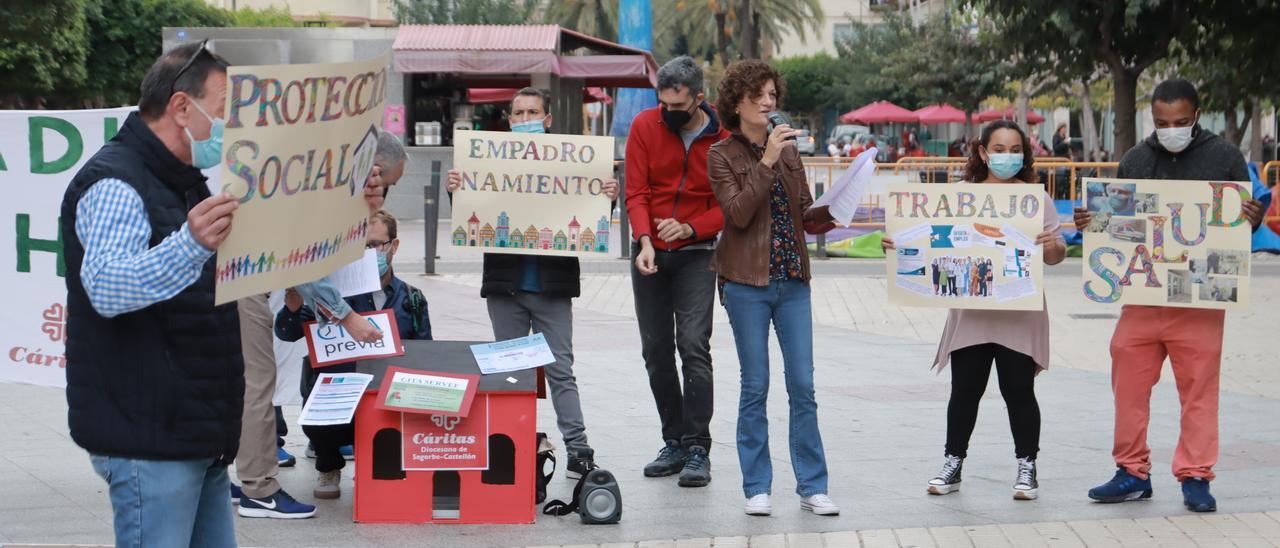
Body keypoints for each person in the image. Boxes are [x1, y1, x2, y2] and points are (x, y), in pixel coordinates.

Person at [62, 41, 248, 545]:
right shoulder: (116, 181)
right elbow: (106, 286)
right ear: (182, 107)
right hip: (148, 433)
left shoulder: (186, 181)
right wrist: (189, 244)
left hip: (197, 430)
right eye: (225, 111)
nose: (229, 128)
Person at [1074, 79, 1264, 513]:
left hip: (1200, 301)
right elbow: (1118, 226)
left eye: (1180, 121)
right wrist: (1092, 221)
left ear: (1197, 115)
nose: (1170, 129)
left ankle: (1196, 475)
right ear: (1152, 117)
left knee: (1199, 388)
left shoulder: (1225, 157)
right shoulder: (1137, 158)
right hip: (1143, 296)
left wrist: (1250, 218)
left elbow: (1236, 228)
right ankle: (1132, 472)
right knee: (1128, 382)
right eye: (1161, 122)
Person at [884, 119, 1066, 500]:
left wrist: (1050, 245)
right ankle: (953, 462)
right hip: (972, 312)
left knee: (1019, 389)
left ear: (1025, 154)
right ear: (983, 153)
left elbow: (1056, 255)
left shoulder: (1035, 200)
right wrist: (900, 245)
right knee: (964, 390)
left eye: (1014, 149)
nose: (1006, 156)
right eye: (998, 149)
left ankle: (1027, 465)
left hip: (1019, 309)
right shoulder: (959, 196)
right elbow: (932, 237)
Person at [447, 87, 618, 478]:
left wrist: (606, 196)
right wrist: (454, 190)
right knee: (508, 372)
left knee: (561, 369)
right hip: (505, 288)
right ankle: (510, 442)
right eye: (519, 113)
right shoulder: (485, 165)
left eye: (533, 112)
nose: (526, 118)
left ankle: (577, 448)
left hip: (552, 287)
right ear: (509, 121)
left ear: (548, 120)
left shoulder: (569, 162)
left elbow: (589, 213)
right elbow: (468, 217)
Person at [707, 59, 839, 517]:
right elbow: (739, 214)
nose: (768, 103)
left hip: (793, 280)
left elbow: (802, 211)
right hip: (746, 282)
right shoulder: (721, 155)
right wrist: (765, 161)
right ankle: (757, 486)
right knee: (755, 385)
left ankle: (812, 485)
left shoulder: (788, 150)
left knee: (803, 385)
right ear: (737, 103)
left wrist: (832, 211)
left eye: (772, 96)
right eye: (758, 96)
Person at [275, 210, 432, 500]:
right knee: (317, 398)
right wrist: (293, 306)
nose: (366, 254)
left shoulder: (412, 296)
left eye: (374, 245)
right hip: (339, 394)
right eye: (357, 246)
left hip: (387, 397)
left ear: (393, 247)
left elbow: (426, 352)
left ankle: (384, 458)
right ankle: (328, 464)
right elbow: (287, 332)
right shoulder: (331, 294)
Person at [625, 56, 730, 487]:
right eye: (661, 103)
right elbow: (636, 191)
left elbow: (730, 205)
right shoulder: (644, 126)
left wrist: (691, 227)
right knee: (655, 351)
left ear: (699, 99)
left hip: (697, 254)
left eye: (677, 106)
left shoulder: (724, 141)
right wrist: (645, 239)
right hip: (650, 252)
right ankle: (674, 441)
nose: (667, 113)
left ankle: (698, 447)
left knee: (693, 345)